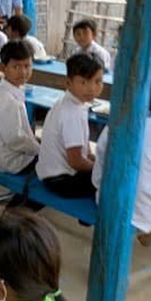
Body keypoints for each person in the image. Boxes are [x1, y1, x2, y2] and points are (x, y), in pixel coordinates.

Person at [92, 63, 151, 244]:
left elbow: (98, 166)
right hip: (145, 210)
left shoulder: (119, 119)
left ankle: (150, 230)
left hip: (107, 200)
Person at [36, 53, 104, 198]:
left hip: (50, 173)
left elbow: (84, 152)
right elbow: (76, 162)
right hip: (61, 181)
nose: (92, 88)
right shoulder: (72, 113)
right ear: (68, 83)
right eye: (84, 82)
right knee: (111, 182)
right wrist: (98, 169)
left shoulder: (72, 103)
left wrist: (95, 161)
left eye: (97, 81)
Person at [0, 40, 39, 174]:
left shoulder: (4, 90)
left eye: (27, 66)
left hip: (4, 156)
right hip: (12, 162)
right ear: (4, 68)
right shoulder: (8, 100)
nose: (23, 72)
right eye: (16, 67)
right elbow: (15, 139)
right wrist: (39, 149)